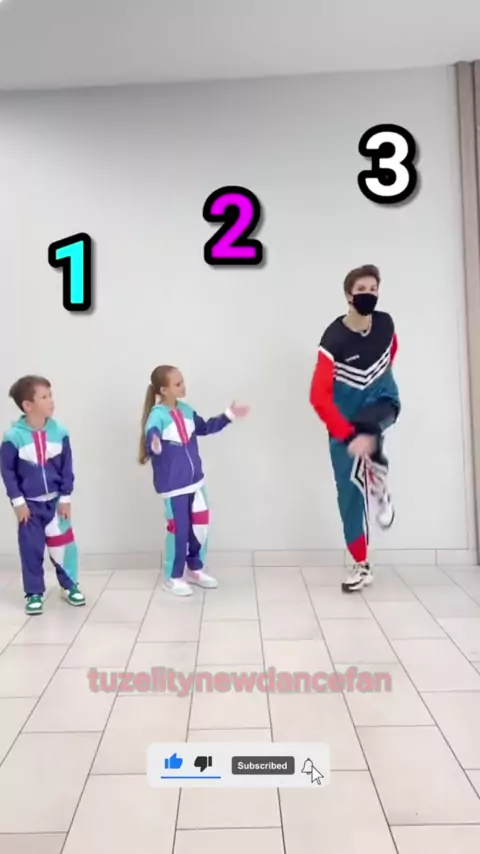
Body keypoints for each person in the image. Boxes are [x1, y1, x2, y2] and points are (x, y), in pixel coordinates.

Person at [309, 265, 400, 592]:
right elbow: (318, 397)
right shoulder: (333, 339)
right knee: (348, 495)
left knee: (368, 426)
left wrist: (378, 384)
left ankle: (379, 482)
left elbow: (391, 352)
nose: (369, 294)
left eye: (373, 289)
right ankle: (362, 564)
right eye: (362, 289)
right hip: (343, 425)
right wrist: (346, 434)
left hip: (383, 403)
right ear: (349, 295)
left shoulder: (386, 324)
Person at [139, 365, 249, 596]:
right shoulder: (157, 415)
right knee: (179, 532)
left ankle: (194, 569)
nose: (183, 387)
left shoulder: (186, 410)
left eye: (182, 382)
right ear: (164, 390)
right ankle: (173, 577)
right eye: (178, 384)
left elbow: (205, 427)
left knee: (199, 527)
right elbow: (152, 433)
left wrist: (228, 415)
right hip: (174, 487)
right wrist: (154, 443)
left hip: (196, 482)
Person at [0, 376, 85, 615]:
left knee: (64, 547)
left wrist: (65, 497)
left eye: (51, 395)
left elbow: (67, 467)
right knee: (31, 550)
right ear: (28, 405)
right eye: (45, 397)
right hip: (29, 507)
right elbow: (7, 472)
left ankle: (69, 586)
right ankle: (34, 592)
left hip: (56, 504)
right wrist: (18, 502)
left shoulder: (60, 433)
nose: (51, 401)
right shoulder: (13, 438)